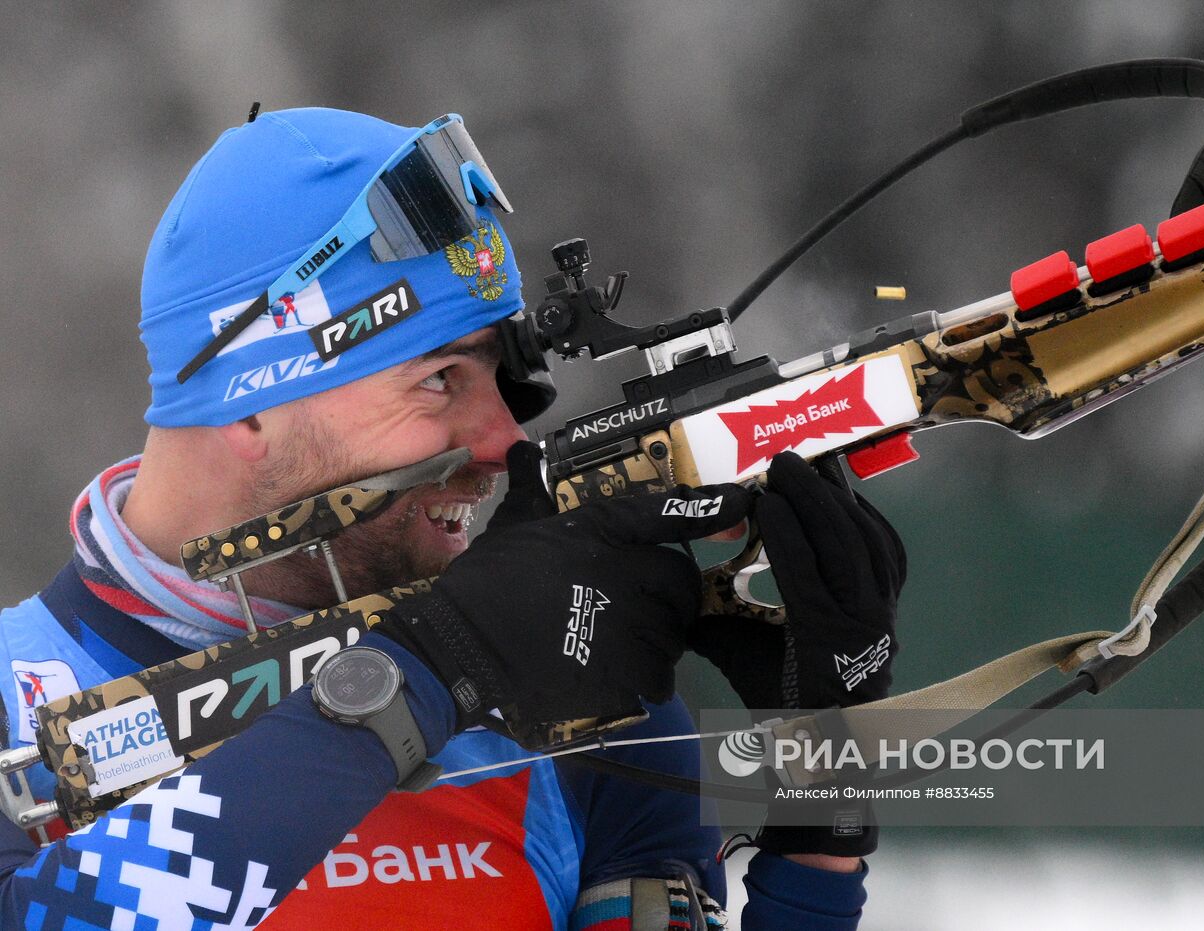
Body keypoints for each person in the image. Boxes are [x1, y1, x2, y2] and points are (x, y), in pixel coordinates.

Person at [0, 107, 903, 929]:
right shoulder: (14, 696)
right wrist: (420, 673)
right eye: (440, 379)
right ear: (248, 410)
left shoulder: (567, 691)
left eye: (505, 382)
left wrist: (816, 818)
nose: (505, 442)